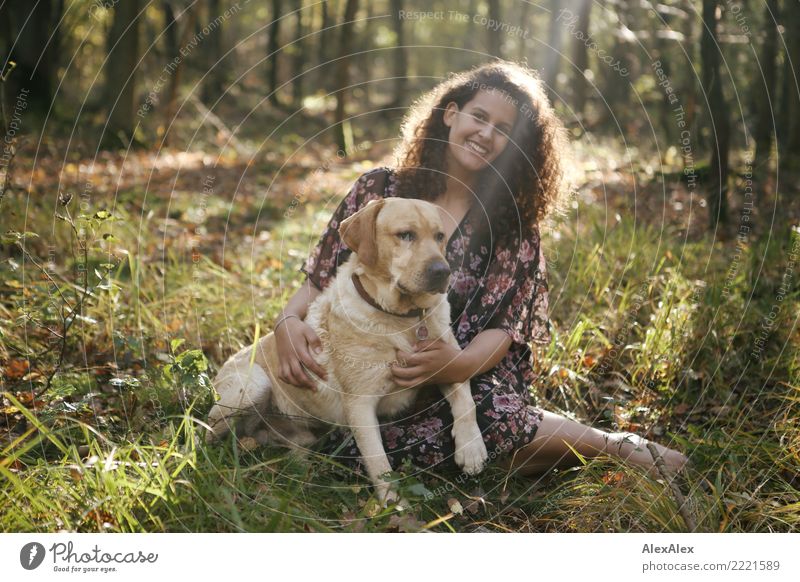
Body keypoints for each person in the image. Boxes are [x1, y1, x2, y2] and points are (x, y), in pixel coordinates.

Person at [271, 61, 689, 484]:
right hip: (374, 370)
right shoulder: (378, 190)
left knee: (487, 418)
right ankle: (528, 450)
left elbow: (505, 327)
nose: (487, 134)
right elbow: (320, 276)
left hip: (471, 372)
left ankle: (616, 446)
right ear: (451, 114)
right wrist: (286, 322)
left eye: (504, 130)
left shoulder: (513, 226)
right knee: (354, 445)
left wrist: (456, 365)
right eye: (479, 116)